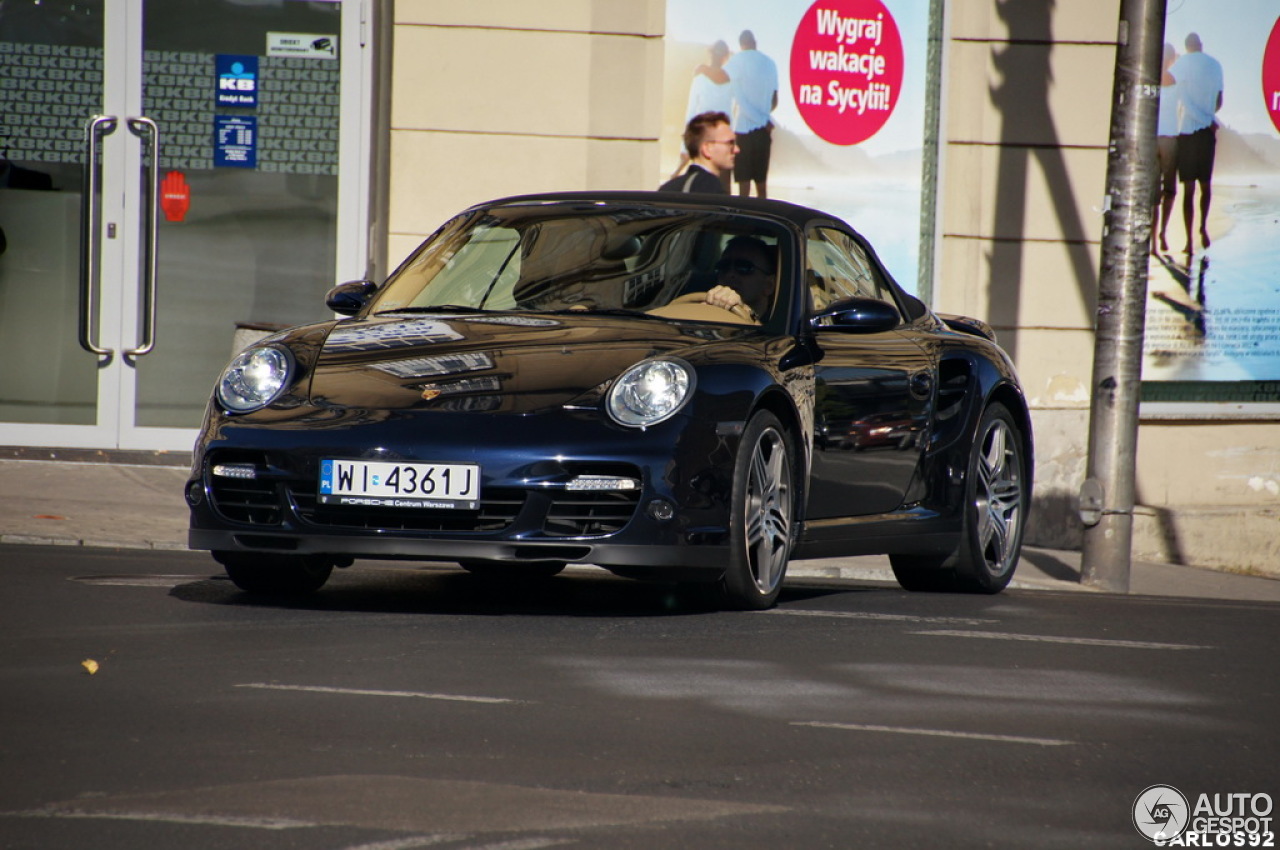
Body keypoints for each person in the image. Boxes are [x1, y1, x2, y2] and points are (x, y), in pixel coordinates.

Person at [696, 30, 778, 198]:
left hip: (743, 131)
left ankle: (743, 221)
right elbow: (775, 100)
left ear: (741, 44)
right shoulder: (771, 64)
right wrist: (762, 116)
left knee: (744, 185)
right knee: (762, 185)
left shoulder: (739, 59)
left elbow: (720, 78)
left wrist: (703, 69)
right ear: (755, 42)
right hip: (764, 131)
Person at [1170, 32, 1223, 255]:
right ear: (1200, 45)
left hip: (1187, 131)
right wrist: (1208, 115)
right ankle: (1203, 227)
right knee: (1205, 185)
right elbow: (1219, 101)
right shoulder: (1215, 65)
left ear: (1186, 46)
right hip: (1207, 133)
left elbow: (1173, 93)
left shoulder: (1181, 64)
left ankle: (1188, 242)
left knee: (1188, 189)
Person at [670, 41, 733, 191]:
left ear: (710, 54)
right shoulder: (728, 79)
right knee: (723, 189)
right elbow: (729, 114)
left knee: (693, 185)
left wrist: (685, 145)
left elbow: (691, 111)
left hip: (701, 135)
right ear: (725, 57)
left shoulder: (700, 74)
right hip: (720, 139)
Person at [701, 235, 777, 321]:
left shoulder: (779, 327)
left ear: (769, 285)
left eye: (743, 267)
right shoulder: (701, 311)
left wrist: (745, 311)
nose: (730, 274)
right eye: (723, 266)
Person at [659, 111, 736, 194]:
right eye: (730, 143)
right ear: (707, 149)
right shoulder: (712, 188)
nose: (736, 149)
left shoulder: (667, 188)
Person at [1153, 43, 1179, 255]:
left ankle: (1154, 241)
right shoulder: (1173, 80)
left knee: (1154, 191)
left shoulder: (1149, 78)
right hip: (1169, 137)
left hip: (1153, 138)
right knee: (1168, 191)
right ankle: (1161, 233)